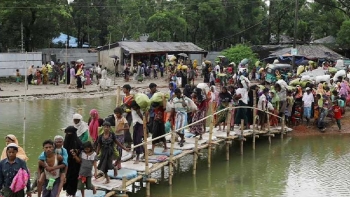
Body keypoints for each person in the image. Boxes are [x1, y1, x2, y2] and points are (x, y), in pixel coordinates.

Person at [63, 126, 82, 197]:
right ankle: (67, 192)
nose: (69, 135)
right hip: (67, 163)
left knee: (74, 179)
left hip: (75, 164)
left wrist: (76, 151)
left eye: (71, 133)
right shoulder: (65, 141)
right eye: (68, 133)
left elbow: (82, 149)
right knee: (67, 178)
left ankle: (73, 193)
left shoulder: (77, 141)